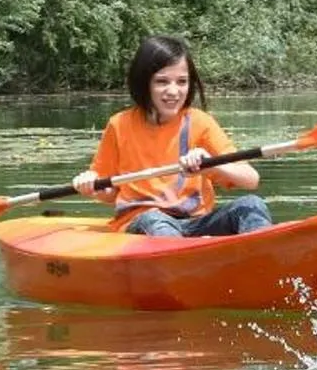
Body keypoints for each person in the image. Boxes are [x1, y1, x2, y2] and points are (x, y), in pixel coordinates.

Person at [72, 35, 274, 237]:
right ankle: (186, 258)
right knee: (154, 219)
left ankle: (262, 254)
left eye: (182, 82)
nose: (173, 91)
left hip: (196, 223)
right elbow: (110, 194)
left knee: (250, 205)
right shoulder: (119, 124)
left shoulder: (200, 122)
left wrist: (211, 163)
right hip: (143, 221)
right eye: (162, 81)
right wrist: (92, 185)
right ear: (144, 83)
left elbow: (251, 180)